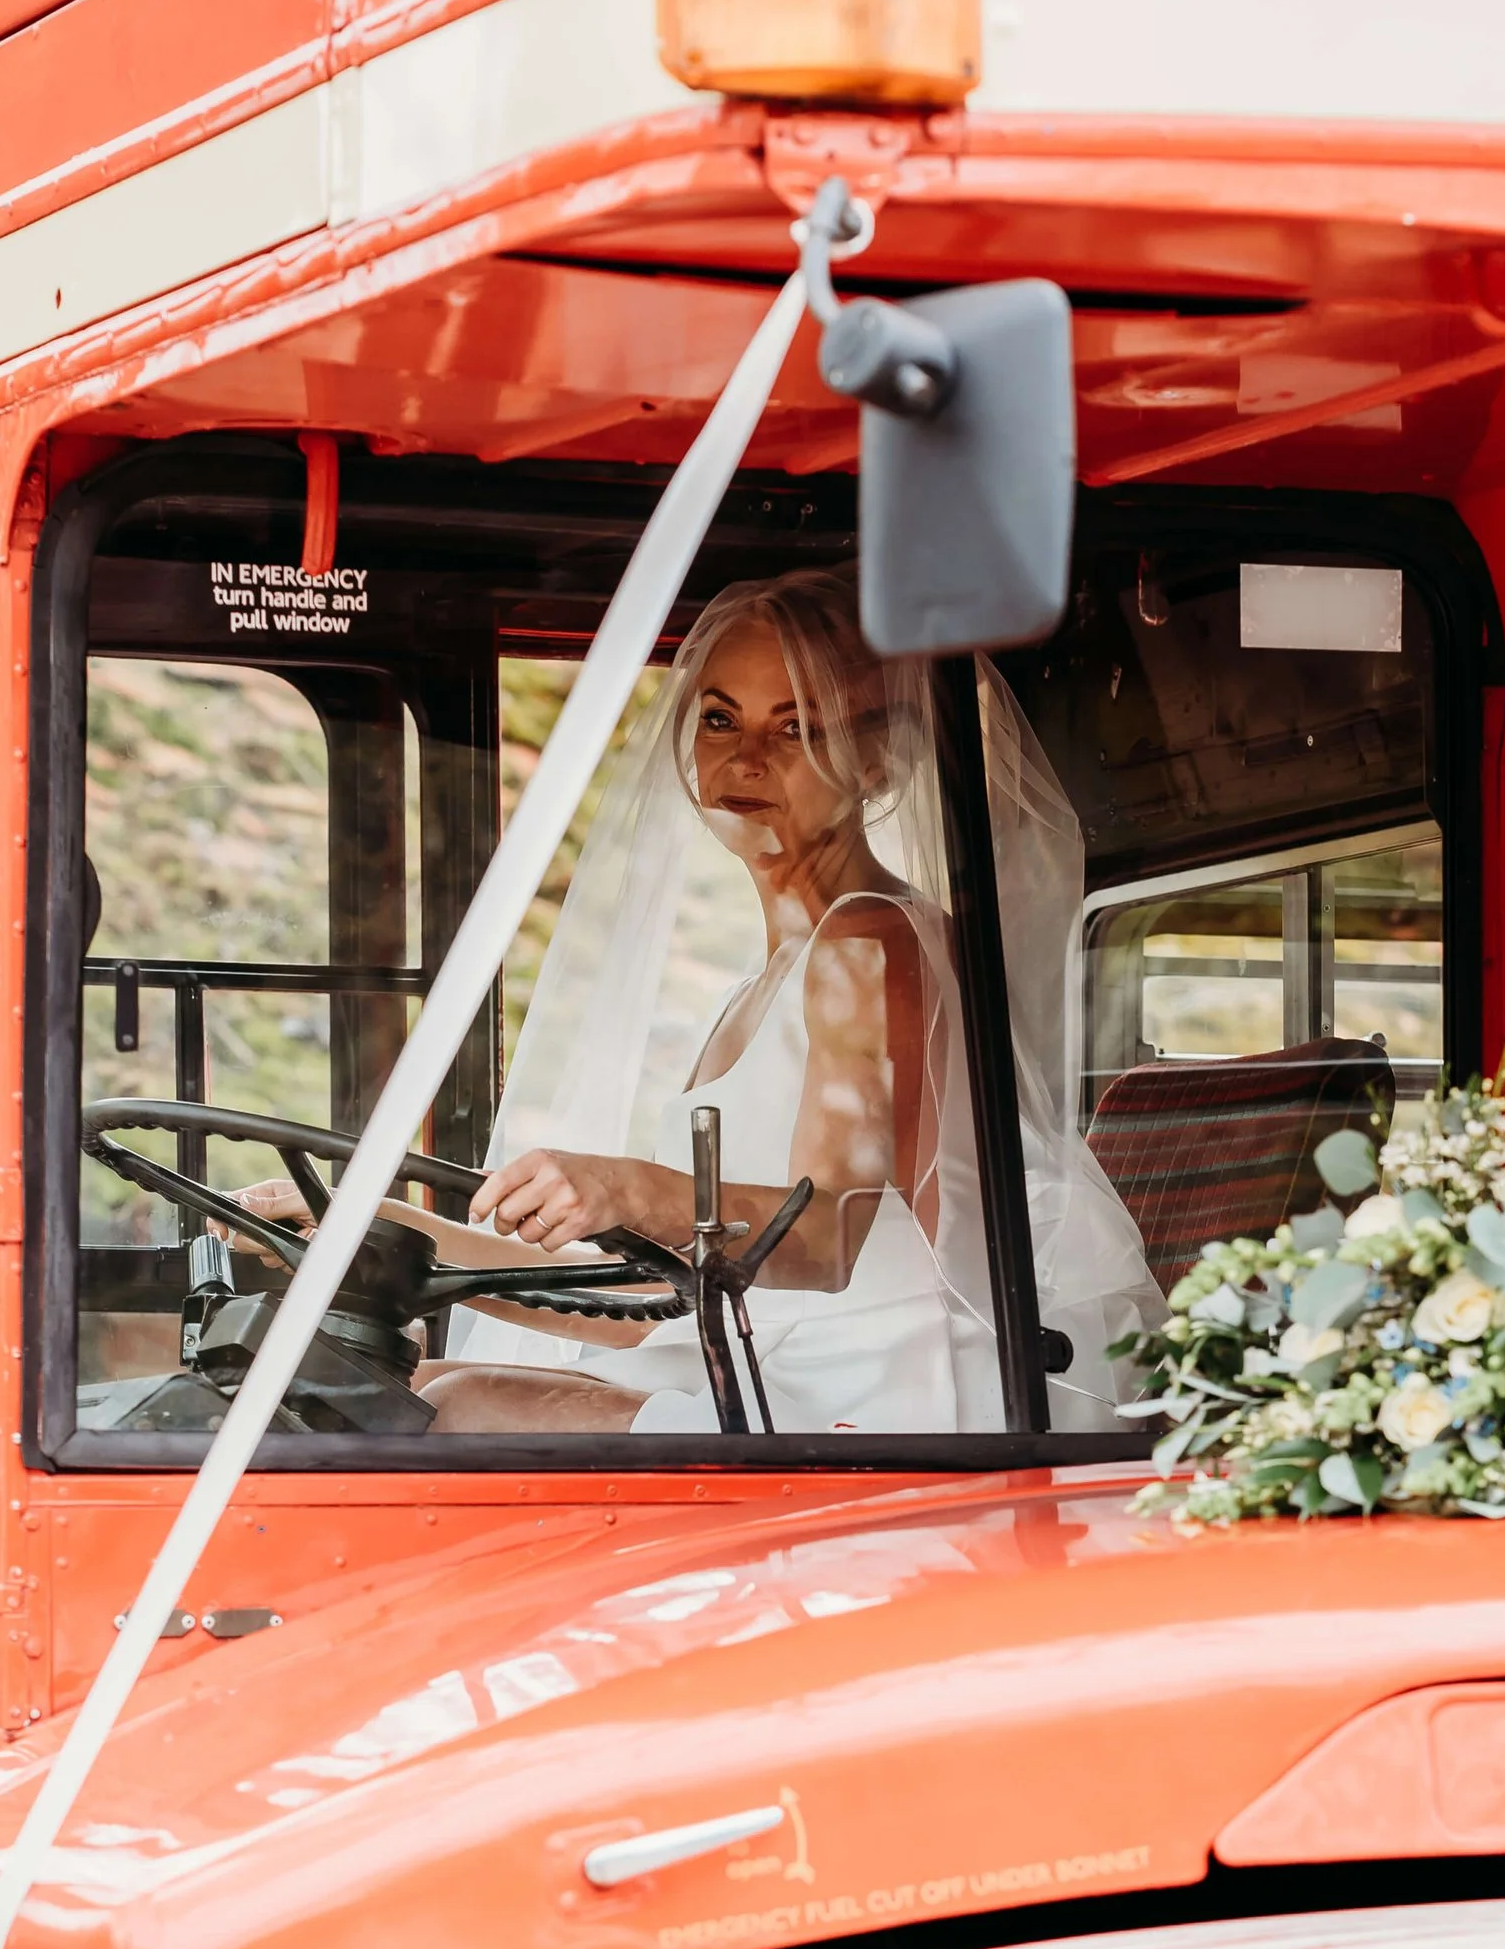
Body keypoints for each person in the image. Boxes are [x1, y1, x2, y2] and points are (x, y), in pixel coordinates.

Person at [420, 567, 1158, 1436]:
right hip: (772, 1362)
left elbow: (822, 1240)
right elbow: (673, 1294)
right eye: (721, 718)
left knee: (455, 1405)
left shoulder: (870, 941)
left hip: (885, 1392)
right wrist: (382, 1235)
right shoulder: (760, 987)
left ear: (879, 761)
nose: (745, 760)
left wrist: (625, 1185)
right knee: (424, 1378)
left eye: (797, 728)